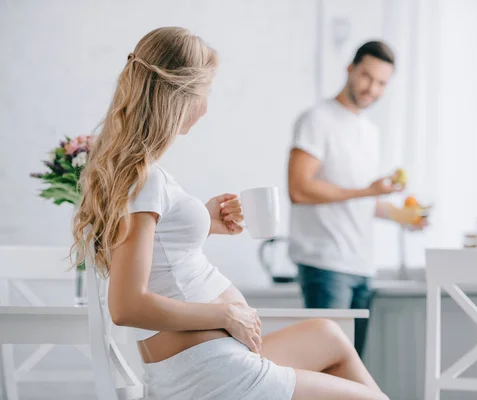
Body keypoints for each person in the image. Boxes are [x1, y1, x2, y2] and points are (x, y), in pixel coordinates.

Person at [71, 27, 389, 400]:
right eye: (205, 93)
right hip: (209, 371)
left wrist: (203, 223)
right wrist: (223, 315)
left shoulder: (140, 175)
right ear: (180, 95)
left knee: (329, 335)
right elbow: (127, 306)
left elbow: (155, 258)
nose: (206, 107)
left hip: (209, 360)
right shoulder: (146, 178)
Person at [287, 41, 428, 357]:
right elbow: (299, 189)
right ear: (350, 70)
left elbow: (359, 200)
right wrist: (368, 191)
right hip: (325, 265)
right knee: (326, 368)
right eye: (367, 76)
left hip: (362, 266)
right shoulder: (317, 119)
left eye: (381, 83)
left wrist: (404, 217)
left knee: (349, 372)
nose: (372, 88)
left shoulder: (369, 131)